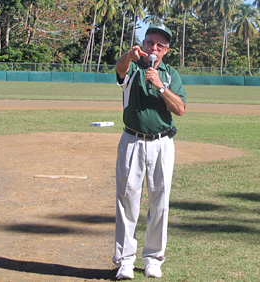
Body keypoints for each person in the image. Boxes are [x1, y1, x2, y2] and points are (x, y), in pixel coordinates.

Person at [112, 24, 187, 280]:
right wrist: (128, 56)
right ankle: (125, 260)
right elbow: (119, 70)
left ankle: (153, 259)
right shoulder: (133, 66)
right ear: (143, 44)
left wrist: (160, 85)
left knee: (160, 202)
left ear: (166, 50)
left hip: (162, 144)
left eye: (160, 45)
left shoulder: (170, 74)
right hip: (132, 141)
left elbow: (180, 109)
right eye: (150, 43)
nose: (154, 48)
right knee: (127, 201)